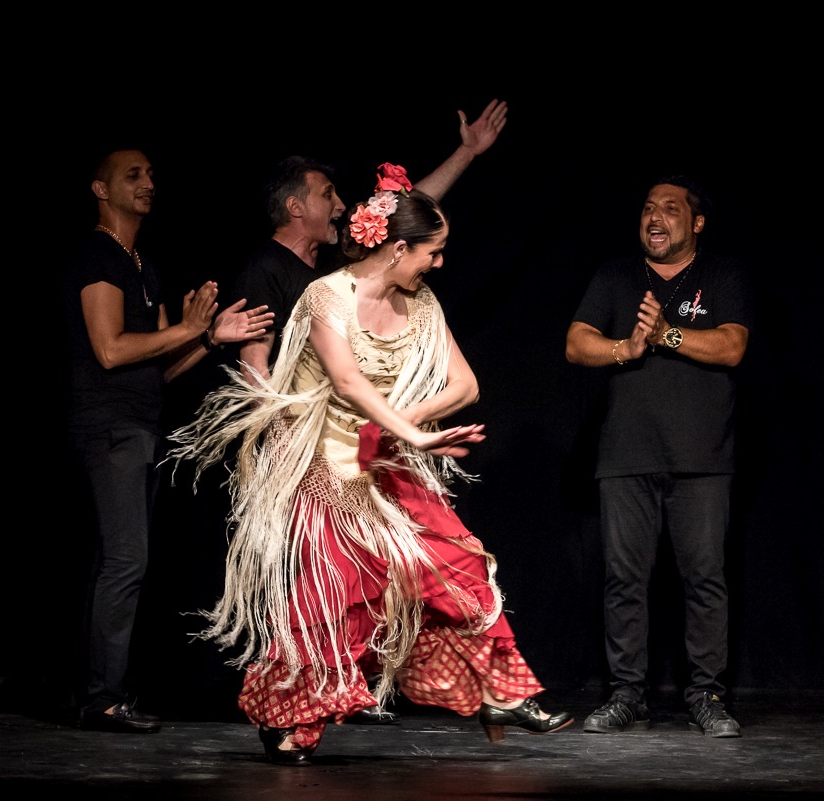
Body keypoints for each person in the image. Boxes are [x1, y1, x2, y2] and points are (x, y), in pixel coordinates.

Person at [167, 166, 572, 766]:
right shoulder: (326, 296)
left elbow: (465, 384)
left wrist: (401, 422)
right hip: (318, 463)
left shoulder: (421, 302)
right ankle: (289, 720)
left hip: (378, 456)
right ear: (398, 249)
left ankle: (499, 693)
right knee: (335, 599)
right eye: (432, 252)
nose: (439, 264)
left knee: (456, 564)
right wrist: (409, 431)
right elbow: (348, 382)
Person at [65, 147, 275, 733]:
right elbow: (111, 350)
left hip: (141, 425)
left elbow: (159, 369)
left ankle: (97, 692)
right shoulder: (98, 256)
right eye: (132, 175)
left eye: (151, 174)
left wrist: (206, 339)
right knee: (125, 559)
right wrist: (187, 327)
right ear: (100, 189)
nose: (148, 182)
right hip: (109, 427)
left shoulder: (142, 264)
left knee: (119, 560)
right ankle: (102, 698)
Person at [565, 175, 753, 738]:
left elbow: (733, 346)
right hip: (626, 456)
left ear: (697, 222)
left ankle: (707, 694)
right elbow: (576, 342)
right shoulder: (616, 276)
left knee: (704, 579)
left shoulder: (723, 274)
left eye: (670, 209)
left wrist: (669, 335)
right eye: (648, 208)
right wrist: (624, 347)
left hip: (702, 457)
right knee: (624, 579)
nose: (655, 217)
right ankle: (627, 694)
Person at [234, 99, 509, 386]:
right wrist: (286, 415)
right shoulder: (265, 269)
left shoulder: (336, 252)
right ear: (295, 207)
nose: (341, 205)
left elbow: (402, 213)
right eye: (327, 195)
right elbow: (253, 369)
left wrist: (466, 151)